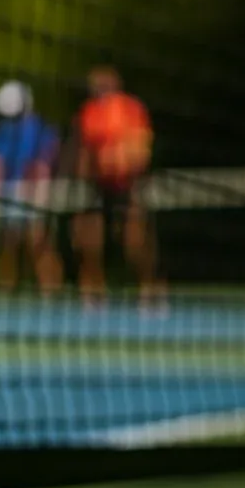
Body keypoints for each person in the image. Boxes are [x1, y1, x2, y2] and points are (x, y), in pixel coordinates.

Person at [72, 65, 163, 308]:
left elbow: (142, 146)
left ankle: (150, 287)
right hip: (98, 186)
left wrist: (123, 160)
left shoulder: (131, 108)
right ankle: (93, 290)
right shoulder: (89, 112)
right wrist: (83, 180)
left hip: (130, 184)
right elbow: (84, 151)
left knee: (135, 240)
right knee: (88, 238)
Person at [0, 80, 63, 294]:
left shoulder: (42, 130)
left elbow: (45, 161)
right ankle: (5, 293)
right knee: (7, 244)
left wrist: (38, 190)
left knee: (38, 242)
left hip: (34, 194)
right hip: (6, 194)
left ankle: (51, 293)